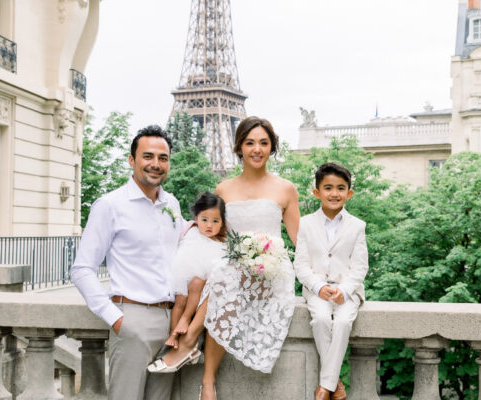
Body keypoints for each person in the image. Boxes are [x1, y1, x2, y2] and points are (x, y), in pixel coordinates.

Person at [158, 116, 300, 400]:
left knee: (225, 279)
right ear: (239, 147)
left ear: (272, 147)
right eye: (250, 142)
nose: (256, 149)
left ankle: (186, 344)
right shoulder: (223, 189)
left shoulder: (286, 189)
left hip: (271, 271)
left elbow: (300, 241)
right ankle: (208, 381)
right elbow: (216, 234)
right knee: (223, 276)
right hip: (234, 266)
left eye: (263, 142)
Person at [71, 125, 182, 400]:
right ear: (132, 160)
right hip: (133, 318)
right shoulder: (110, 205)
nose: (155, 164)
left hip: (171, 323)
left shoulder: (173, 204)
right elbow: (82, 268)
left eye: (163, 158)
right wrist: (117, 319)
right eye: (148, 156)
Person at [294, 162, 369, 400]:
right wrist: (318, 286)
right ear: (317, 192)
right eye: (328, 187)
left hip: (348, 290)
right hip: (316, 289)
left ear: (349, 193)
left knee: (344, 321)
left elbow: (360, 266)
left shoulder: (357, 226)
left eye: (340, 188)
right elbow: (301, 265)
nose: (334, 193)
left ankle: (324, 387)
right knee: (321, 320)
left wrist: (344, 290)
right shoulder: (306, 223)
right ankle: (334, 383)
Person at [147, 192, 227, 373]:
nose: (209, 225)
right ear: (196, 218)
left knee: (197, 284)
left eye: (215, 221)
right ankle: (174, 337)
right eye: (204, 219)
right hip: (184, 274)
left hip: (200, 284)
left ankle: (184, 324)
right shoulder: (191, 232)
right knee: (180, 300)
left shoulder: (221, 243)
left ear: (222, 223)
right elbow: (170, 223)